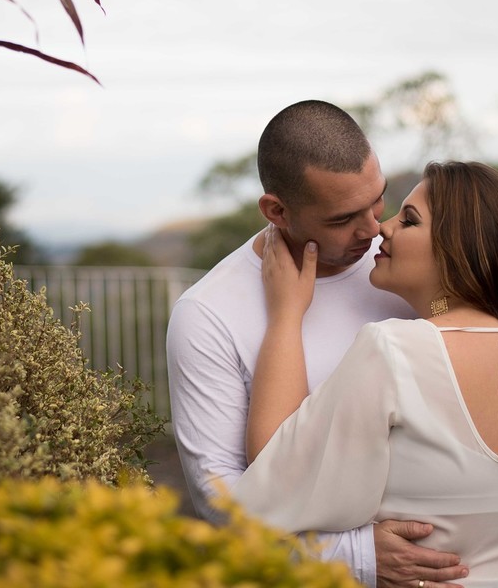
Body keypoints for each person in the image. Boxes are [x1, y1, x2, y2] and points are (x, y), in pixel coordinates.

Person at [233, 161, 498, 587]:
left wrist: (285, 316)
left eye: (409, 220)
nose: (384, 228)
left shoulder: (393, 350)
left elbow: (272, 484)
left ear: (459, 247)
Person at [167, 100, 471, 587]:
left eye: (378, 199)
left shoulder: (406, 259)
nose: (374, 229)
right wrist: (356, 556)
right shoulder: (207, 314)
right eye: (342, 218)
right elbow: (219, 498)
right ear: (277, 210)